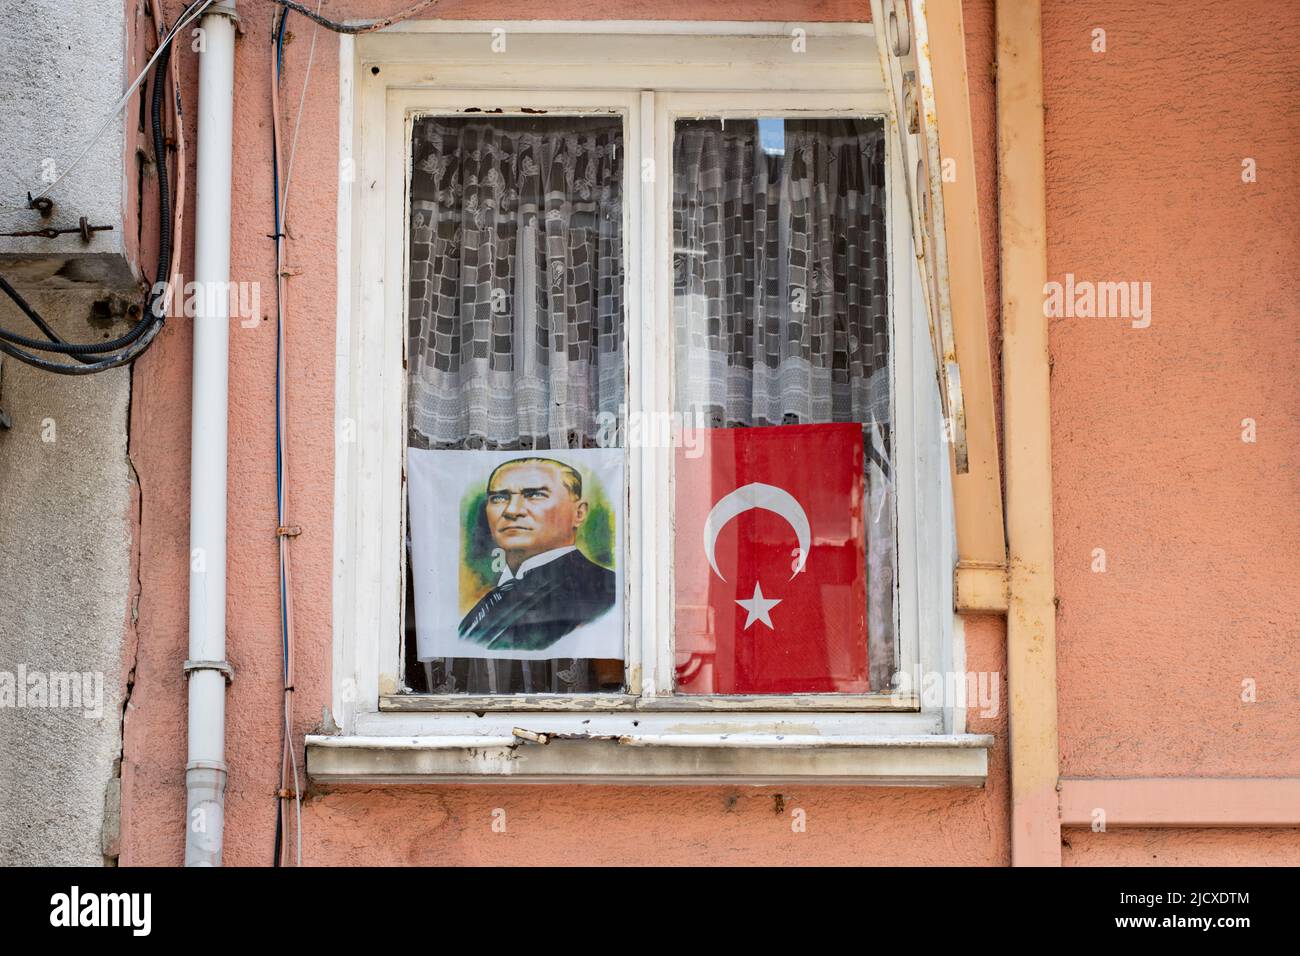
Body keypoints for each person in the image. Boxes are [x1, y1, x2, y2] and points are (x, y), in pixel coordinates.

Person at [458, 457, 616, 651]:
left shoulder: (603, 592)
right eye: (499, 498)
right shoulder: (497, 594)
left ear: (579, 514)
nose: (512, 511)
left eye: (535, 495)